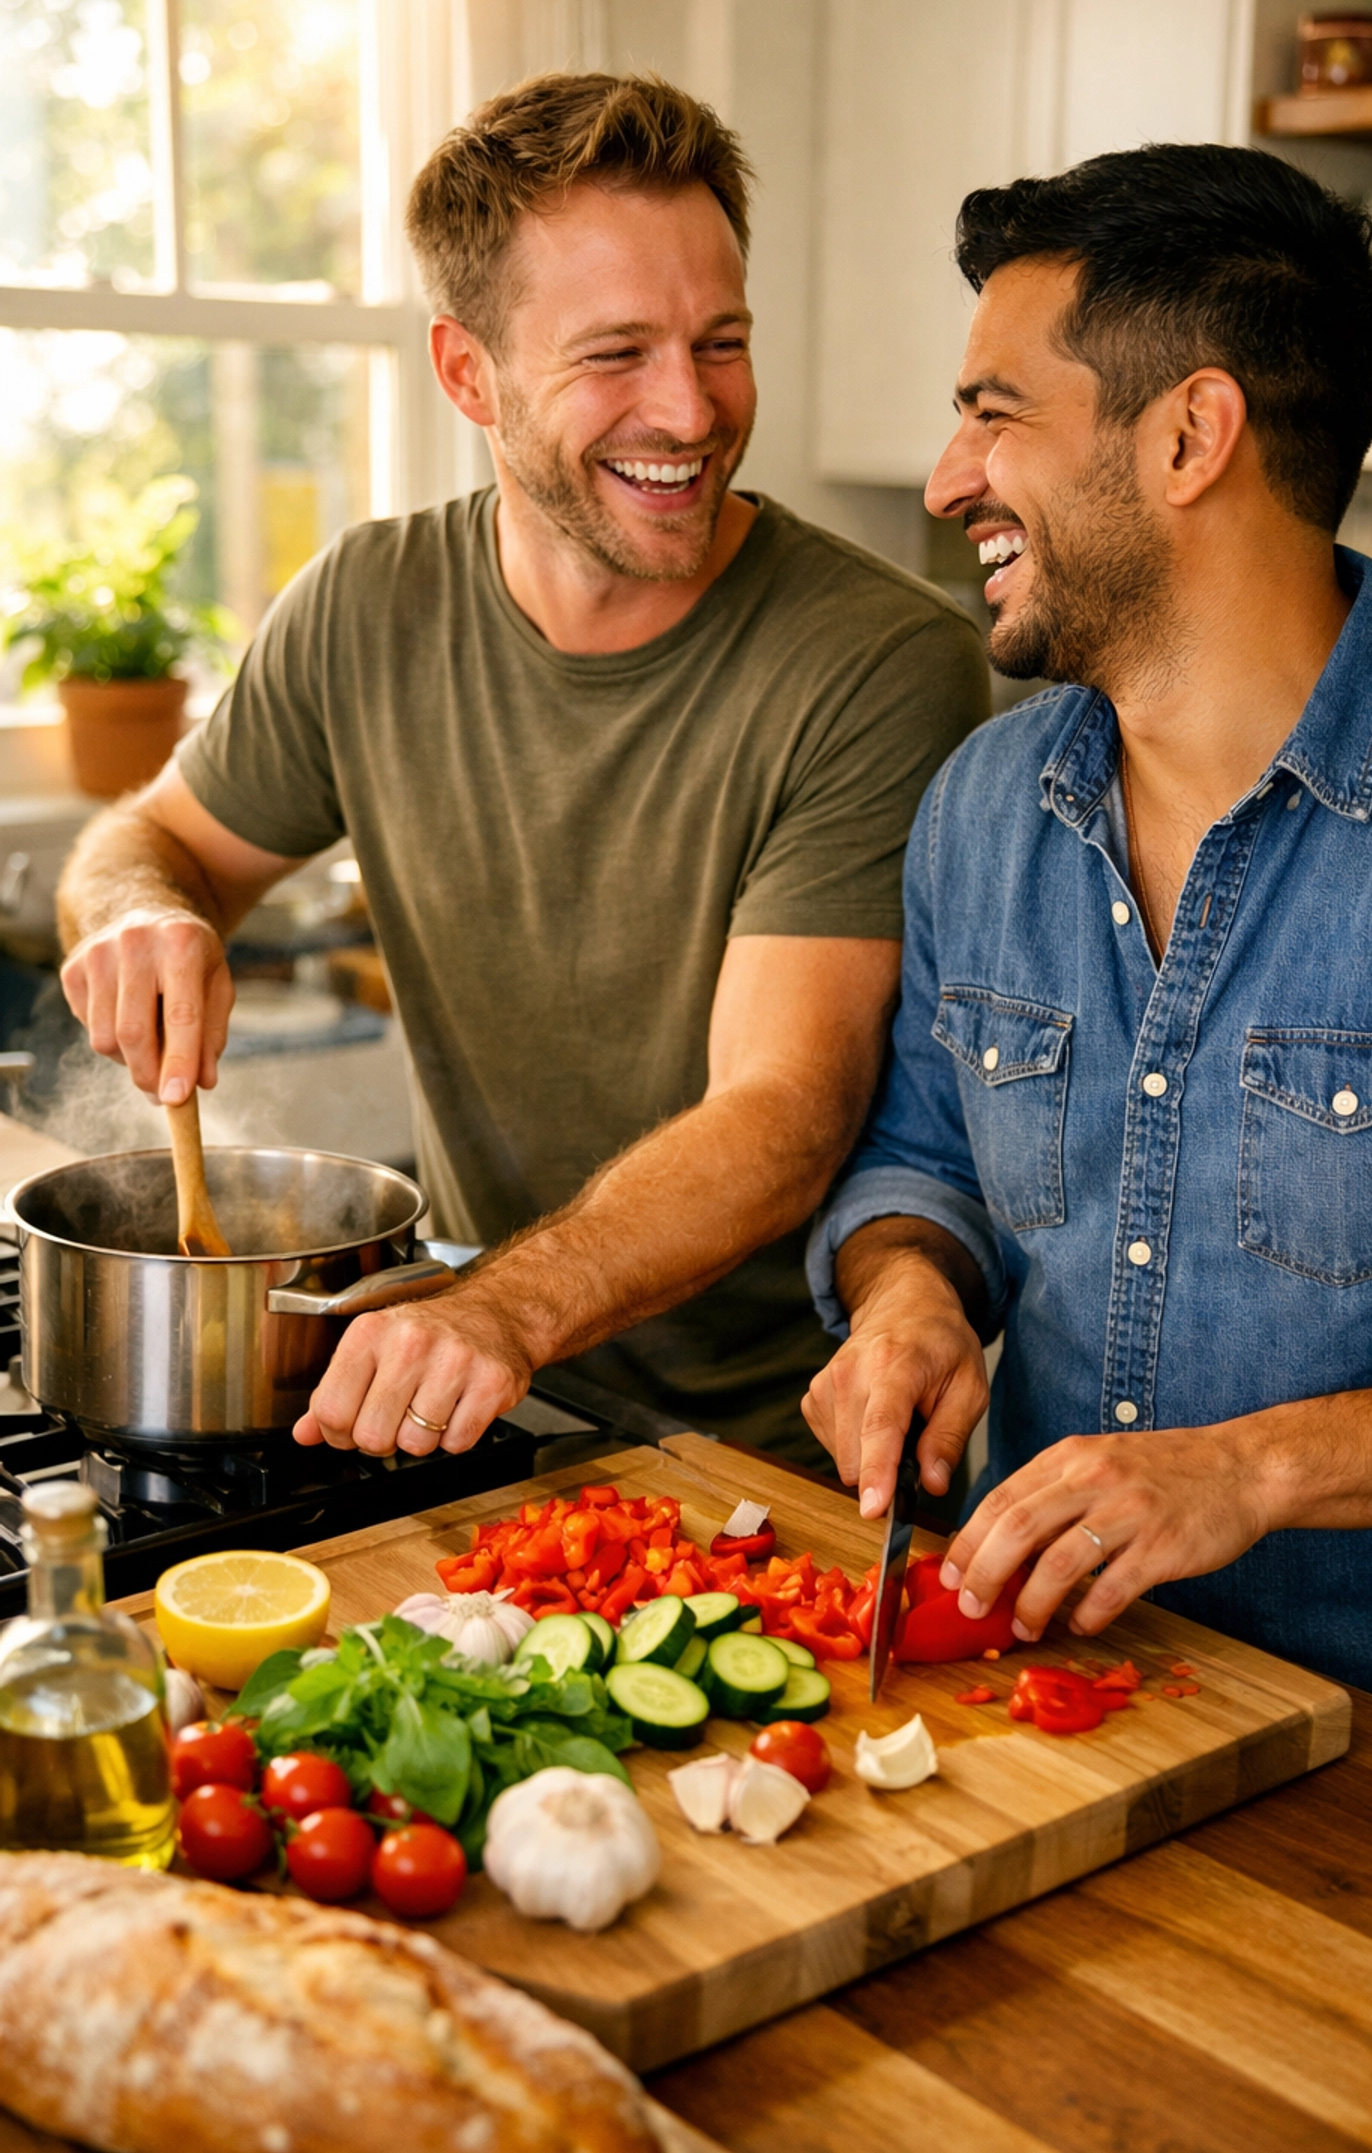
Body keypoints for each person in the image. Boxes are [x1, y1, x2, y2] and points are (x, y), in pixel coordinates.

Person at [57, 72, 988, 1469]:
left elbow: (786, 1115)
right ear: (466, 373)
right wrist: (144, 911)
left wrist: (496, 1309)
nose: (688, 410)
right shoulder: (367, 604)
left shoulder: (876, 657)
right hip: (479, 1411)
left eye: (720, 341)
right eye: (616, 354)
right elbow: (150, 838)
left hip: (760, 1461)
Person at [803, 142, 1372, 1754]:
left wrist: (1246, 1469)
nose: (946, 479)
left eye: (995, 415)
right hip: (1042, 1712)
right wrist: (908, 1298)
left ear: (1192, 435)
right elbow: (919, 1157)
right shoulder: (984, 807)